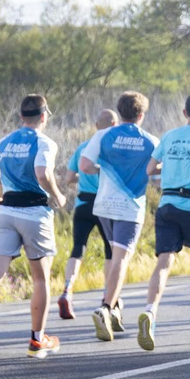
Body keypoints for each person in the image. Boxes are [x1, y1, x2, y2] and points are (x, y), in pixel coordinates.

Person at [0, 94, 65, 363]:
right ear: (44, 116)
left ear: (21, 116)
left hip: (6, 211)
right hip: (35, 212)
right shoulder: (45, 142)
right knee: (41, 279)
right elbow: (43, 173)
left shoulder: (4, 142)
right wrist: (57, 194)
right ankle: (37, 338)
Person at [139, 93, 190, 348]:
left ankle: (150, 312)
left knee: (164, 262)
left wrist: (173, 167)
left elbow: (150, 169)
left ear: (184, 112)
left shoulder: (169, 136)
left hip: (167, 204)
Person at [81, 91, 158, 342]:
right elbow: (156, 174)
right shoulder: (150, 141)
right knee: (121, 260)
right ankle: (105, 306)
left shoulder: (103, 135)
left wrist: (102, 169)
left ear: (119, 111)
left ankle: (113, 306)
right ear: (141, 115)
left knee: (115, 258)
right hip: (130, 207)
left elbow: (84, 166)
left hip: (104, 205)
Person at [58, 109, 116, 321]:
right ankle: (107, 296)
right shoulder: (112, 149)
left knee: (78, 248)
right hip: (106, 205)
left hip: (83, 203)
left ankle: (67, 290)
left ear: (95, 125)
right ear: (114, 125)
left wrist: (83, 178)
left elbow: (68, 178)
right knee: (110, 251)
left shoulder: (84, 147)